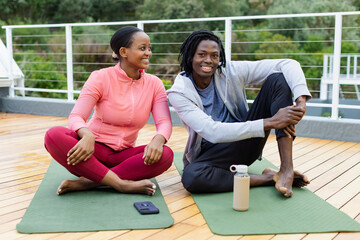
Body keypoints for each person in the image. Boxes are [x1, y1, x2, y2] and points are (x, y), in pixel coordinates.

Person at [167, 29, 311, 197]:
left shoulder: (229, 71)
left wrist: (301, 100)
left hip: (246, 143)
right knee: (191, 177)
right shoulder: (179, 93)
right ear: (190, 56)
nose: (209, 60)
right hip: (214, 156)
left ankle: (287, 169)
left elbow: (288, 64)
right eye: (201, 54)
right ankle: (269, 178)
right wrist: (271, 122)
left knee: (278, 79)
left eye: (214, 55)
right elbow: (211, 131)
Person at [44, 26, 173, 196]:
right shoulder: (100, 77)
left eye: (149, 48)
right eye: (143, 48)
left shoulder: (154, 84)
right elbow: (76, 116)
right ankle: (120, 184)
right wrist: (87, 135)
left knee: (166, 154)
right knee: (54, 135)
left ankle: (89, 182)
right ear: (123, 52)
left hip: (123, 157)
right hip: (90, 154)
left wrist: (158, 139)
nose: (148, 53)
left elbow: (164, 122)